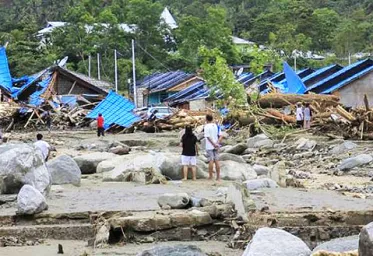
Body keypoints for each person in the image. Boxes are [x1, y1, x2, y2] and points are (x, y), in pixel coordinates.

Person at [204, 114, 221, 181]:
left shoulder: (206, 126)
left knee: (211, 160)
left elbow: (208, 137)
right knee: (217, 160)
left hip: (210, 146)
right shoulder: (216, 126)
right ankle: (218, 177)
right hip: (216, 145)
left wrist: (213, 144)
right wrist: (217, 144)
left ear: (207, 119)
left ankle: (210, 176)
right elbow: (220, 135)